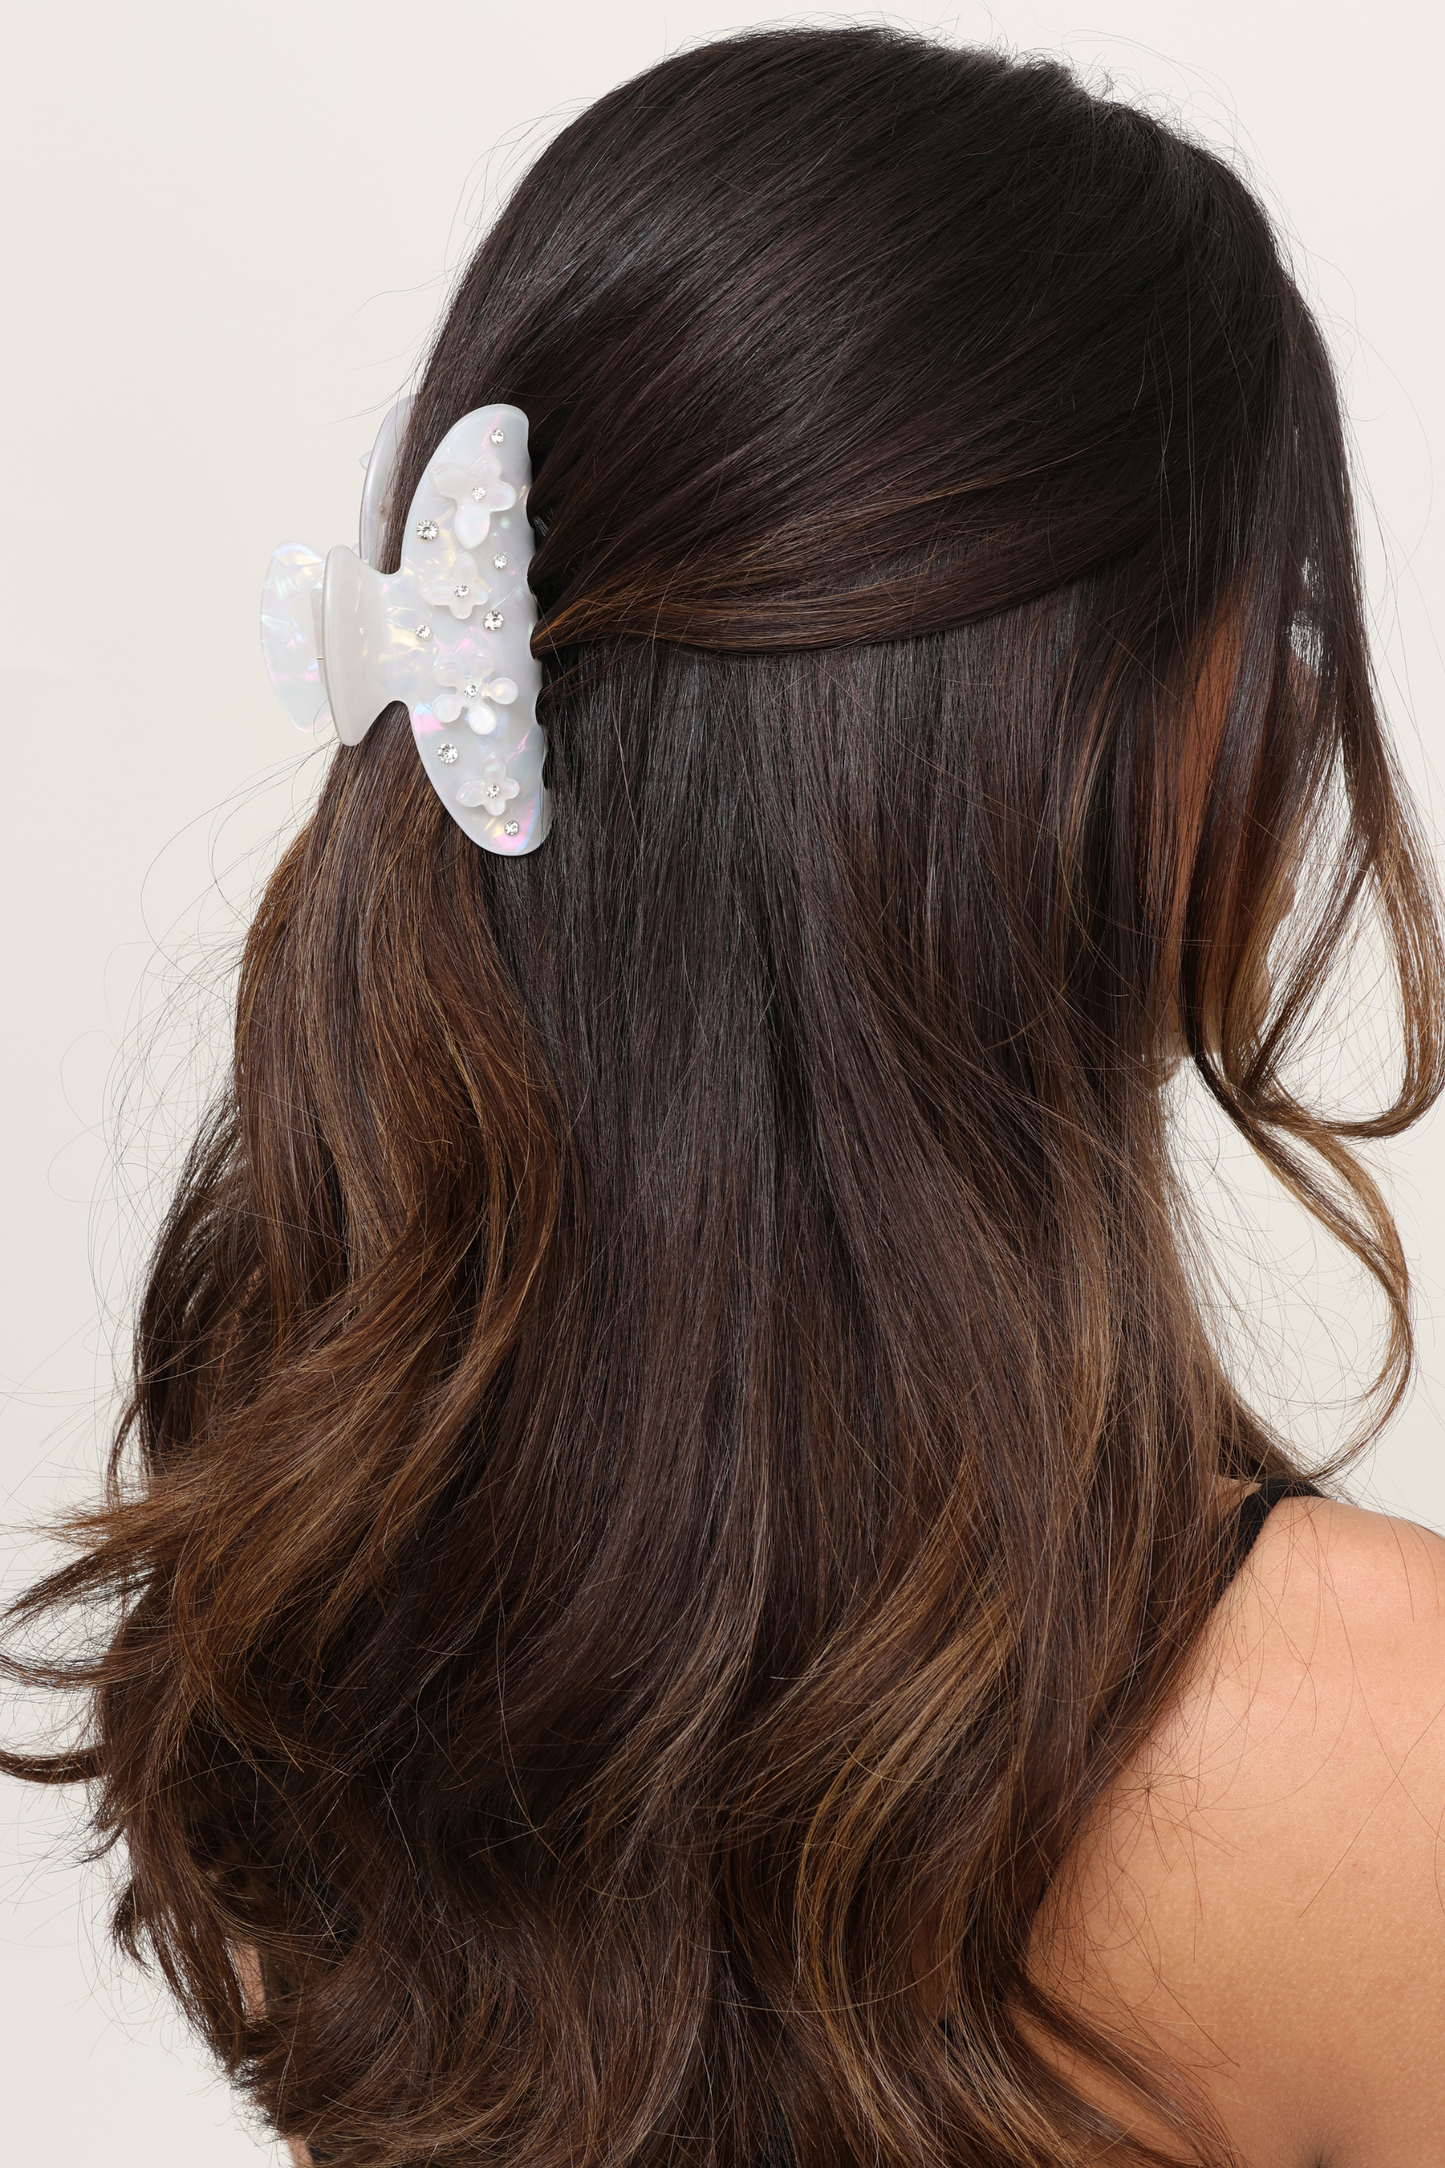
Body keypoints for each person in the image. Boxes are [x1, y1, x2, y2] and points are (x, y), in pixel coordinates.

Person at [6, 25, 1445, 2168]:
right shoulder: (1377, 1750)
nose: (1295, 722)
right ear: (1063, 736)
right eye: (1279, 622)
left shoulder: (346, 1631)